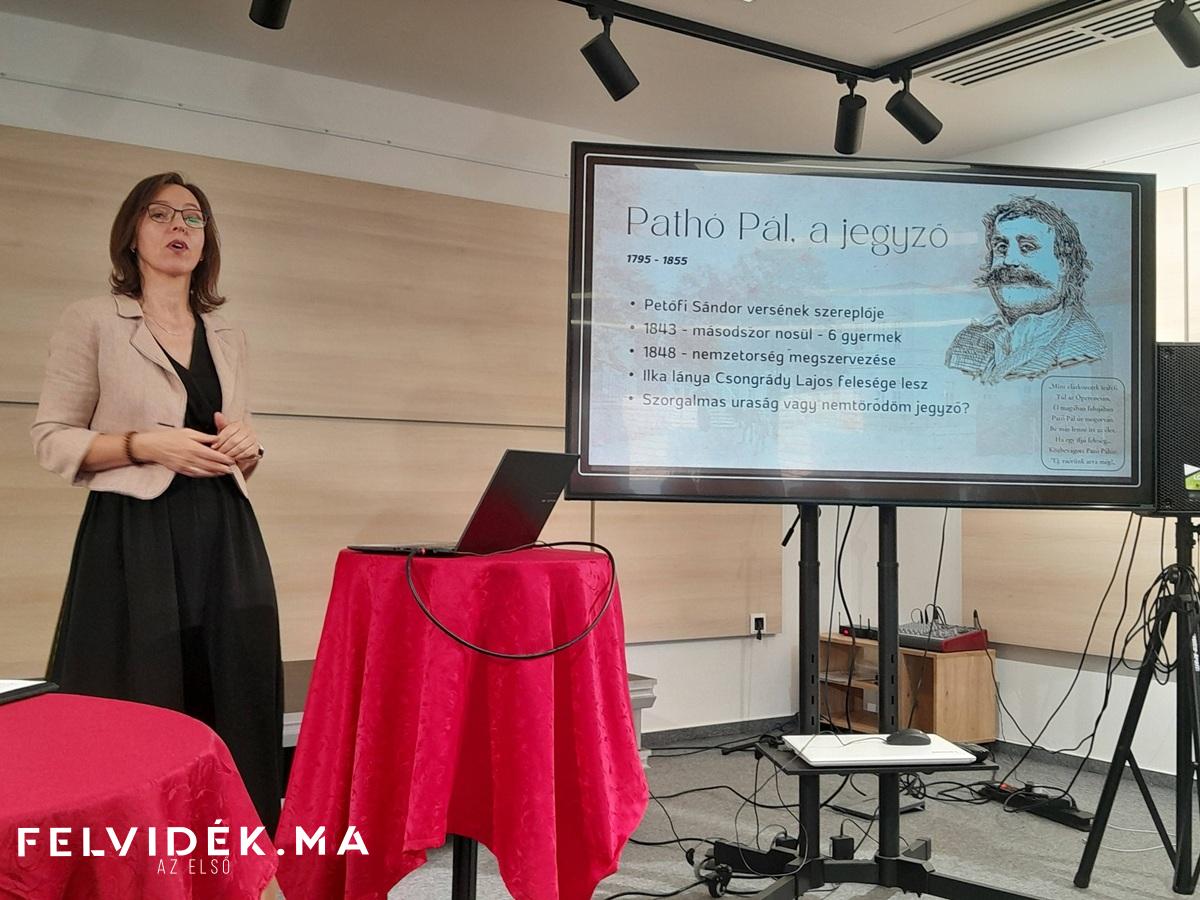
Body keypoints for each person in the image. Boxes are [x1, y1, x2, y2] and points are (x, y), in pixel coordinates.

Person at [31, 173, 283, 836]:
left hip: (226, 532)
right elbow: (51, 438)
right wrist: (145, 444)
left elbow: (234, 442)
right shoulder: (93, 319)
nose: (179, 227)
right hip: (133, 533)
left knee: (235, 690)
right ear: (132, 234)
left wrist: (248, 447)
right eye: (160, 214)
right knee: (139, 696)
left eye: (193, 217)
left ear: (206, 240)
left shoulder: (228, 334)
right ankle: (133, 853)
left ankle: (229, 854)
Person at [946, 195, 1106, 384]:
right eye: (1001, 247)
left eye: (1027, 247)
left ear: (1064, 263)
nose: (1009, 260)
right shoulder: (968, 341)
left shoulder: (1083, 345)